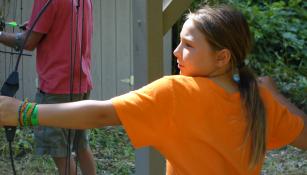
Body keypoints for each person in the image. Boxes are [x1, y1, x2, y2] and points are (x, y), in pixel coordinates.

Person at [0, 4, 306, 175]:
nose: (175, 53)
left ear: (222, 57)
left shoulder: (176, 92)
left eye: (187, 45)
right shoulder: (260, 97)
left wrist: (24, 112)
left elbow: (103, 113)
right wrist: (277, 96)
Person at [0, 0, 96, 174]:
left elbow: (27, 42)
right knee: (81, 145)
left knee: (62, 155)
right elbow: (65, 23)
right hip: (81, 83)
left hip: (56, 89)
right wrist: (34, 26)